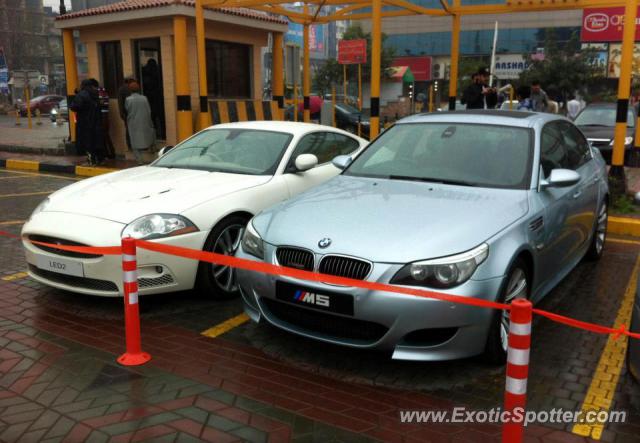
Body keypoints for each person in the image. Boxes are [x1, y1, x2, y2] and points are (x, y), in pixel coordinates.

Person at [70, 78, 105, 165]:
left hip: (85, 122)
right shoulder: (96, 93)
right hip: (96, 121)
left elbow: (74, 106)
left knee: (87, 142)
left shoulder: (82, 95)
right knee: (97, 141)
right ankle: (100, 159)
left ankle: (91, 161)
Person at [125, 81, 156, 164]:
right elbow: (148, 110)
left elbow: (127, 110)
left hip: (133, 123)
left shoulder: (128, 100)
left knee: (134, 141)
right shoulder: (144, 98)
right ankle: (153, 150)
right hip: (145, 120)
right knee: (149, 135)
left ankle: (139, 160)